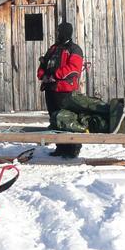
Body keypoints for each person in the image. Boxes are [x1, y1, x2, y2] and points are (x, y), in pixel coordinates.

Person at [37, 21, 85, 158]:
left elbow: (73, 69)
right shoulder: (53, 48)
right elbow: (43, 64)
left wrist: (55, 76)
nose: (58, 34)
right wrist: (43, 76)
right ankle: (60, 147)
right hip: (50, 89)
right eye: (57, 31)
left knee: (68, 120)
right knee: (54, 119)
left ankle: (73, 147)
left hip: (65, 90)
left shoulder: (74, 49)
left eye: (59, 31)